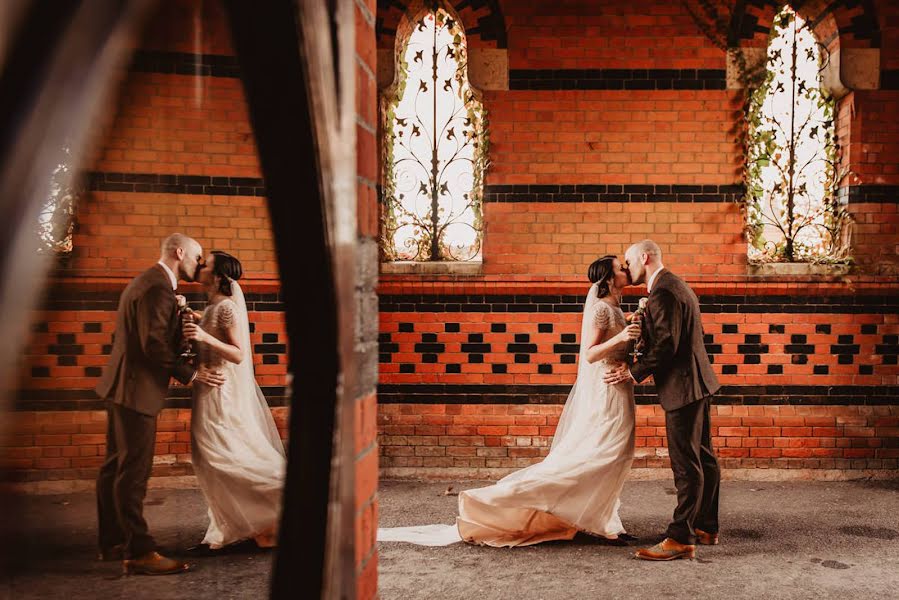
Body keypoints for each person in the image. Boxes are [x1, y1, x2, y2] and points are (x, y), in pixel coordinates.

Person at [378, 255, 641, 547]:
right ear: (607, 279)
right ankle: (512, 502)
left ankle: (605, 519)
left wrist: (631, 326)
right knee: (608, 452)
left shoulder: (616, 307)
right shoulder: (601, 310)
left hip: (621, 386)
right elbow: (590, 354)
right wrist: (620, 339)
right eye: (620, 268)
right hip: (606, 388)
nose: (626, 270)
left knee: (619, 452)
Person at [96, 233, 225, 575]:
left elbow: (146, 336)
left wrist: (178, 316)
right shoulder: (157, 287)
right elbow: (152, 344)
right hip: (137, 390)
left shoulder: (149, 282)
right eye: (196, 257)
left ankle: (113, 542)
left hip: (122, 386)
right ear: (178, 251)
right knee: (133, 472)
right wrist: (192, 373)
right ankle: (138, 552)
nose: (198, 264)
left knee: (114, 467)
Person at [604, 239, 721, 561]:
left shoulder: (664, 291)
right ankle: (705, 526)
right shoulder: (673, 284)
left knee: (687, 465)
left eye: (629, 261)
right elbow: (671, 335)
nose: (627, 268)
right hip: (697, 382)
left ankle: (681, 538)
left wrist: (633, 371)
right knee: (704, 458)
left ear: (645, 257)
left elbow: (668, 343)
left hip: (683, 387)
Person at [182, 250, 286, 551]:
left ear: (216, 276)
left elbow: (238, 353)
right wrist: (196, 319)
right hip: (206, 390)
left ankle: (283, 494)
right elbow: (213, 325)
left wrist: (204, 338)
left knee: (220, 455)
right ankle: (260, 525)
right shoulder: (213, 305)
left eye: (206, 265)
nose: (200, 268)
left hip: (220, 391)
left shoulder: (226, 306)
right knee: (209, 454)